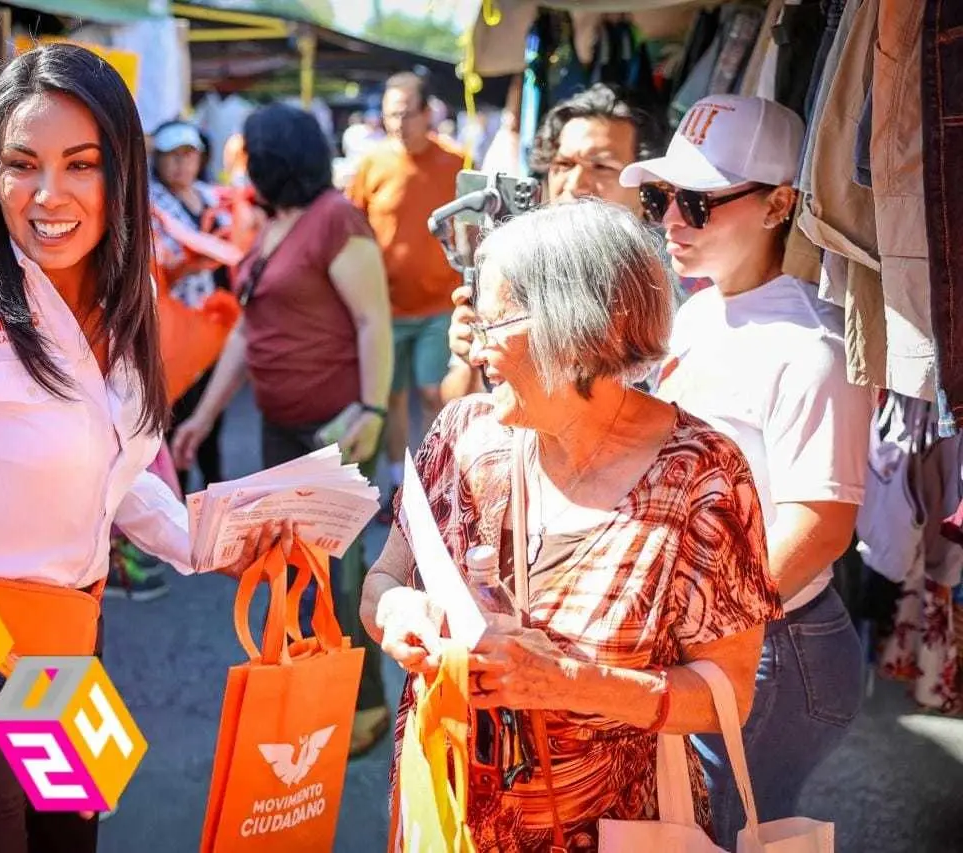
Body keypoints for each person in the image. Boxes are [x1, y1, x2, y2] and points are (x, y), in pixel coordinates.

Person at [0, 45, 290, 853]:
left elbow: (114, 474)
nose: (50, 196)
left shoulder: (131, 294)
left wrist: (208, 541)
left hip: (63, 648)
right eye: (23, 165)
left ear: (122, 171)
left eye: (81, 164)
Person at [361, 198, 783, 852]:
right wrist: (396, 610)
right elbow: (385, 574)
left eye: (497, 315)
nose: (472, 333)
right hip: (442, 814)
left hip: (611, 828)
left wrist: (571, 682)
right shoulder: (463, 435)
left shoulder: (704, 475)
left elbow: (726, 693)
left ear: (583, 326)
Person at [618, 94, 871, 846]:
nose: (670, 221)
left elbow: (821, 525)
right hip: (726, 637)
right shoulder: (699, 310)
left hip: (775, 647)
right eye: (660, 197)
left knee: (724, 830)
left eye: (696, 201)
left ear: (779, 205)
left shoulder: (811, 345)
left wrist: (699, 626)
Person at [170, 103, 395, 757]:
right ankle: (313, 697)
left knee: (336, 581)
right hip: (281, 427)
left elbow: (372, 321)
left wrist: (374, 411)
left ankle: (366, 705)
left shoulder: (335, 219)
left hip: (336, 430)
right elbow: (248, 326)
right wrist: (205, 414)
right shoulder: (274, 222)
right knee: (295, 575)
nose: (241, 167)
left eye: (250, 156)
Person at [442, 83, 673, 402]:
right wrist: (472, 359)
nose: (576, 184)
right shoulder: (509, 272)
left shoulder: (671, 287)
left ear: (646, 187)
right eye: (563, 165)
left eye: (602, 167)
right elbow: (455, 404)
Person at [346, 72, 465, 522]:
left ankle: (440, 480)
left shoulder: (455, 163)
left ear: (427, 112)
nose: (398, 122)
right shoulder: (372, 165)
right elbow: (353, 225)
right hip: (384, 306)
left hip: (439, 302)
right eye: (390, 113)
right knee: (392, 398)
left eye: (406, 113)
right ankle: (399, 482)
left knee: (434, 392)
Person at [149, 118, 232, 491]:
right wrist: (186, 266)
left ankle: (216, 492)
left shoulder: (214, 197)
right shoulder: (150, 203)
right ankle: (176, 504)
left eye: (188, 155)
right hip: (175, 330)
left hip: (217, 323)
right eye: (172, 156)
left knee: (214, 414)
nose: (181, 164)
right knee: (176, 414)